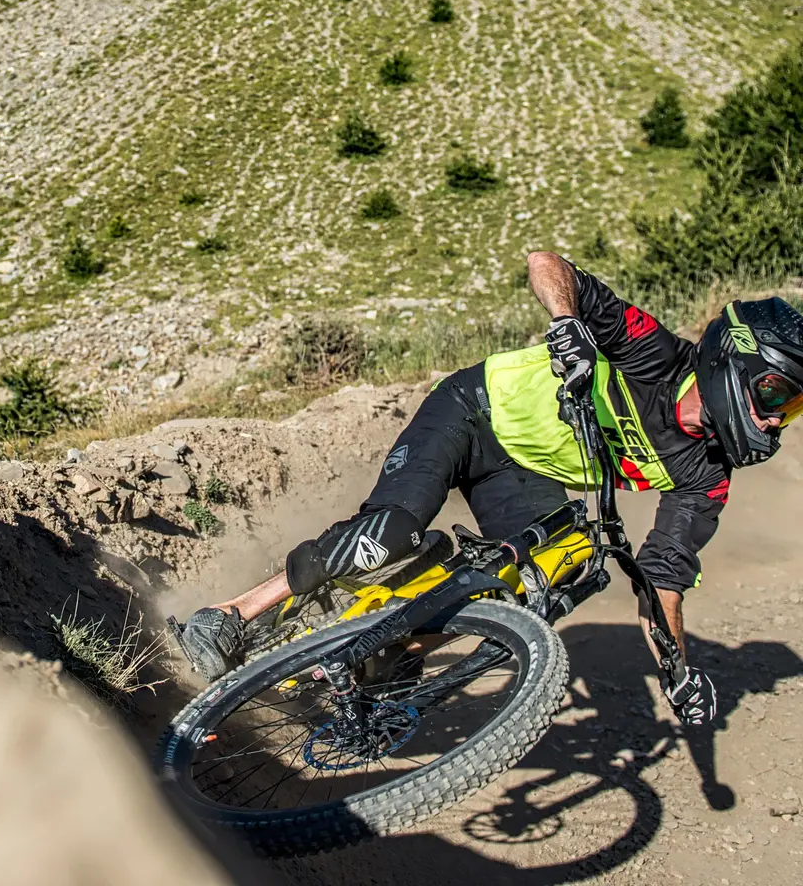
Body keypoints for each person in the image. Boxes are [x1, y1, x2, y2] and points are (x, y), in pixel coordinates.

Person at [176, 252, 803, 726]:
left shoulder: (707, 474)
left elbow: (664, 577)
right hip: (473, 413)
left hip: (523, 475)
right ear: (734, 358)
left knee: (555, 577)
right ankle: (230, 615)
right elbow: (548, 264)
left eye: (793, 408)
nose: (776, 419)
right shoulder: (653, 354)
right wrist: (566, 325)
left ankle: (391, 645)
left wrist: (678, 669)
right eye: (777, 394)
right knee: (389, 533)